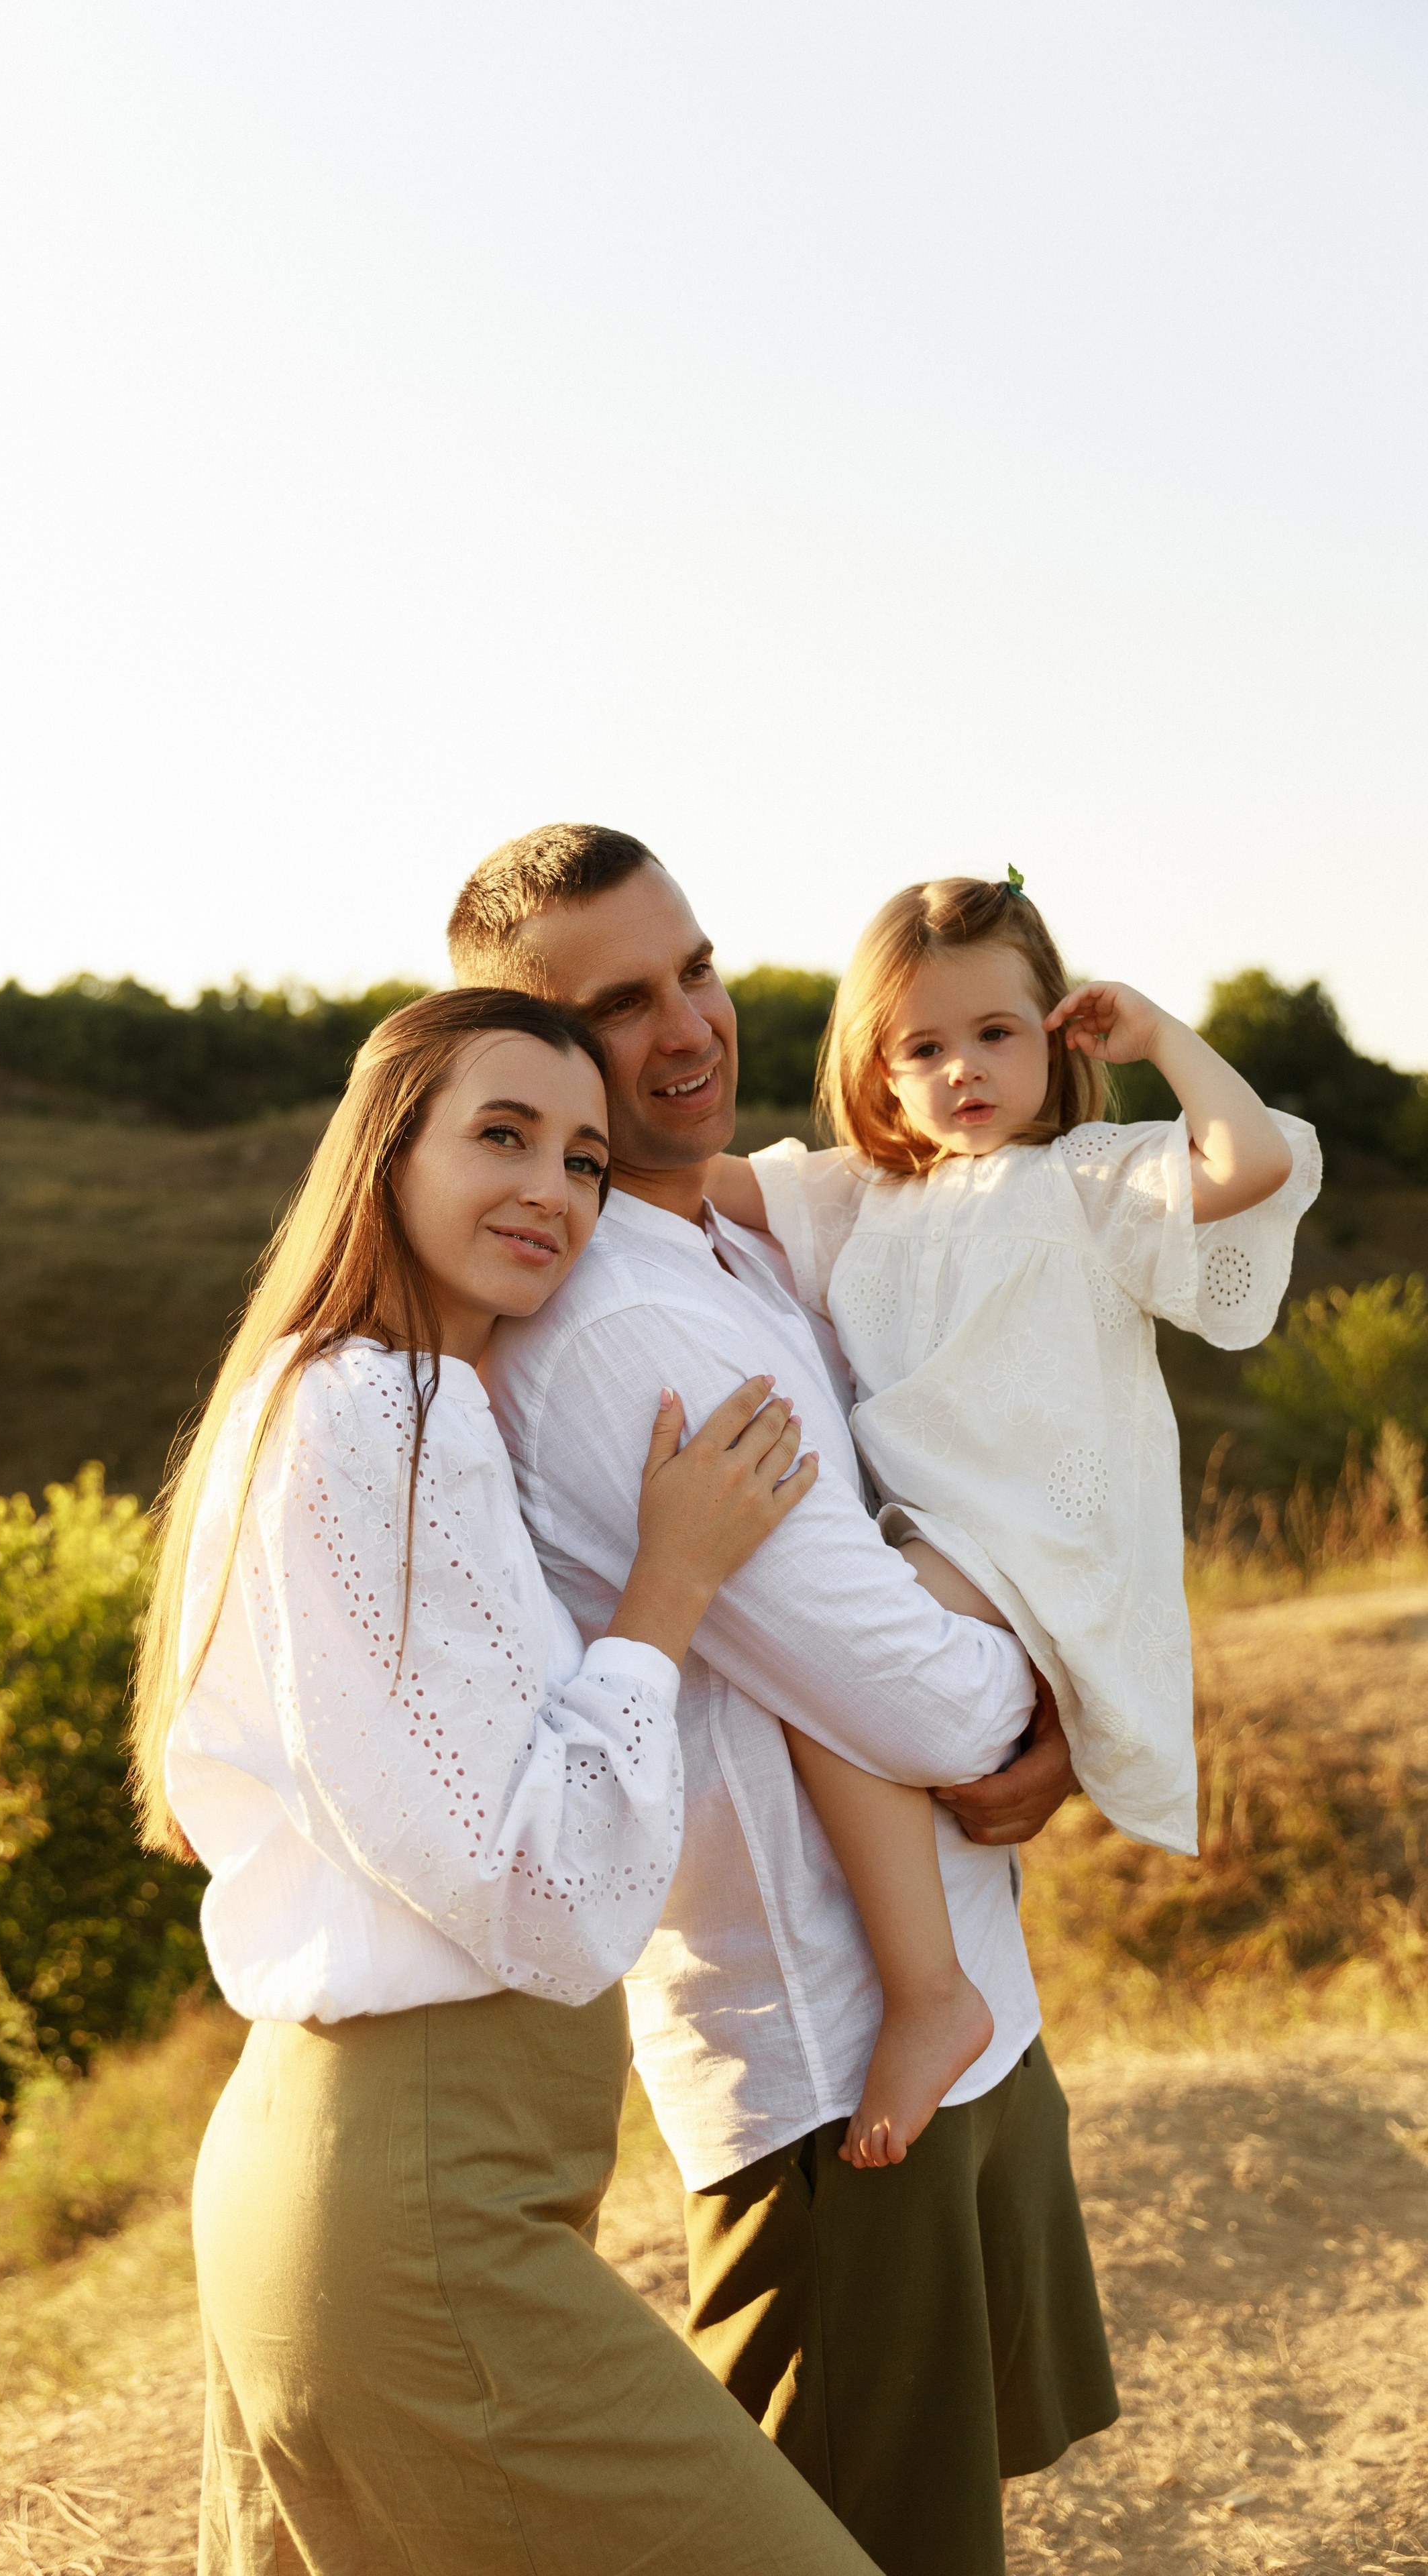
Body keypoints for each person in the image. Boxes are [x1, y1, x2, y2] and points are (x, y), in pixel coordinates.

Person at [126, 986, 883, 2576]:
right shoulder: (375, 1415)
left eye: (587, 1159)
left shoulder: (336, 1404)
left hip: (349, 2183)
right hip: (412, 2209)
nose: (551, 1188)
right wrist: (666, 1591)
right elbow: (541, 1895)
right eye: (500, 1135)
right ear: (385, 1150)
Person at [452, 828, 1118, 2576]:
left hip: (953, 2001)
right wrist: (1046, 1715)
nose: (688, 1025)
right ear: (522, 1057)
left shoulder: (731, 1236)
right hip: (832, 2081)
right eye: (617, 1003)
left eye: (696, 967)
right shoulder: (619, 1326)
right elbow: (903, 1693)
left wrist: (1040, 1728)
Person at [702, 871, 1321, 2167]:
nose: (965, 1070)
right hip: (934, 1531)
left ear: (1056, 1033)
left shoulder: (1087, 1180)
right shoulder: (856, 1197)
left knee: (841, 1659)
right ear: (878, 1067)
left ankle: (932, 1997)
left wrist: (1160, 1037)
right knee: (844, 1658)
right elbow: (698, 1184)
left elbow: (1251, 1160)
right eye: (924, 1047)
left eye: (997, 1033)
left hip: (1039, 1536)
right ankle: (935, 1981)